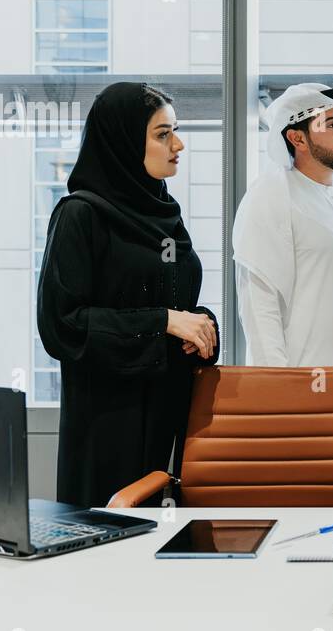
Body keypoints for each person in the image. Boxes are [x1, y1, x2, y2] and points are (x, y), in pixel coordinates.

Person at [38, 82, 219, 507]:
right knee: (108, 554)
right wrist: (164, 322)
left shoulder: (164, 215)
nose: (178, 144)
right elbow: (62, 325)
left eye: (175, 130)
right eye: (162, 134)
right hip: (108, 425)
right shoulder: (79, 215)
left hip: (170, 415)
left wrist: (199, 324)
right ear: (121, 140)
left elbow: (175, 299)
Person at [231, 83, 333, 449]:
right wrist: (285, 400)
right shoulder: (270, 198)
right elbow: (260, 311)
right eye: (332, 124)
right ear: (297, 138)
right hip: (297, 402)